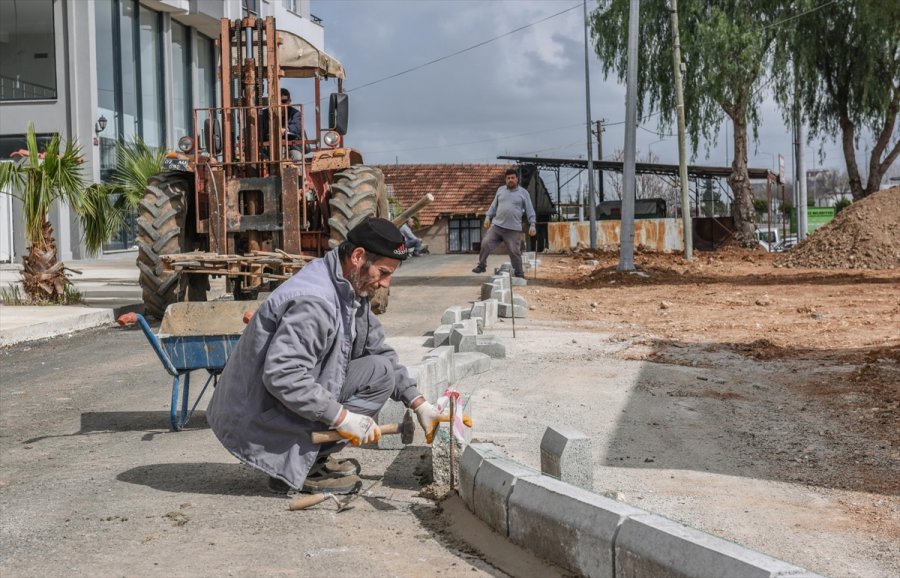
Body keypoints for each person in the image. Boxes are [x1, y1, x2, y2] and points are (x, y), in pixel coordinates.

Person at [207, 218, 446, 495]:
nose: (385, 283)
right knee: (369, 381)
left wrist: (418, 403)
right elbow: (283, 375)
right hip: (254, 417)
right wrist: (342, 418)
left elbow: (378, 350)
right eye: (383, 272)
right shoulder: (316, 300)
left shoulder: (349, 288)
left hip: (273, 402)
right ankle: (295, 465)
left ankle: (312, 458)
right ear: (358, 257)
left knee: (380, 371)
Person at [472, 168, 536, 278]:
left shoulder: (523, 193)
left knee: (514, 252)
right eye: (508, 178)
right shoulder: (500, 190)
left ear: (517, 179)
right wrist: (488, 217)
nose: (510, 180)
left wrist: (533, 224)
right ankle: (482, 265)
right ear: (505, 179)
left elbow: (530, 209)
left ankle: (519, 274)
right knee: (485, 243)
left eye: (512, 178)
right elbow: (493, 205)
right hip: (497, 226)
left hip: (513, 229)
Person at [260, 87, 303, 161]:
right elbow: (259, 129)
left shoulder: (295, 113)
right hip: (268, 145)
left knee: (297, 157)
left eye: (283, 101)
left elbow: (297, 126)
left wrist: (286, 129)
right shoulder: (264, 114)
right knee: (260, 158)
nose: (280, 104)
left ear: (289, 101)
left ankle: (299, 171)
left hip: (292, 144)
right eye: (277, 101)